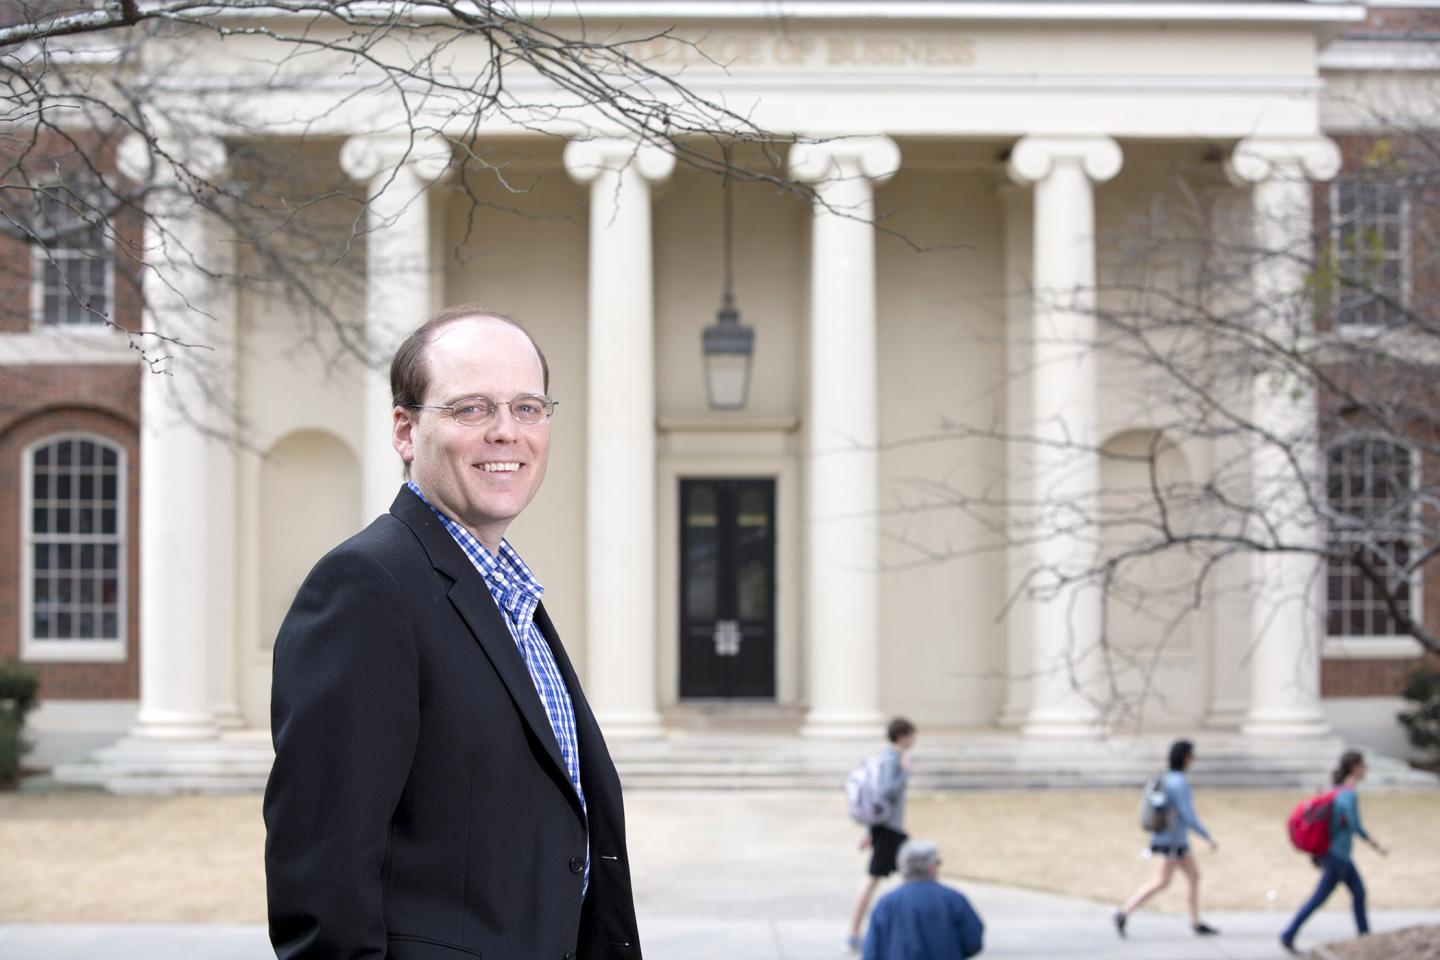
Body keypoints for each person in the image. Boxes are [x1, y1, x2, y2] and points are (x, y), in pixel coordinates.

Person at [264, 307, 642, 959]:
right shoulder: (367, 588)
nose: (506, 432)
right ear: (405, 431)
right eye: (471, 408)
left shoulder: (509, 594)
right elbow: (324, 889)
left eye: (527, 408)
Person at [1280, 750, 1388, 955]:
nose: (1366, 770)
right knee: (1320, 897)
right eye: (1363, 766)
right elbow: (1355, 825)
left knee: (1358, 893)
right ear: (1354, 767)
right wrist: (1376, 845)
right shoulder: (1348, 794)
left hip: (1340, 856)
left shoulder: (1336, 790)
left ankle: (1365, 939)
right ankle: (1288, 934)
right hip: (1337, 856)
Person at [1114, 739, 1220, 938]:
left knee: (1192, 877)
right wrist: (1208, 837)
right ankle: (1124, 912)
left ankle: (1195, 922)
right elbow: (1188, 815)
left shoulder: (1166, 777)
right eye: (1192, 755)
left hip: (1169, 839)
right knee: (1162, 881)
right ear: (1186, 758)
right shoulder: (1179, 782)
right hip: (1173, 841)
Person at [848, 716, 918, 952]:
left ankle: (904, 930)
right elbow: (887, 791)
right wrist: (905, 772)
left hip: (887, 829)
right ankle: (854, 934)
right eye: (912, 735)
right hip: (890, 831)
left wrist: (870, 831)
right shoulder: (891, 758)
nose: (914, 740)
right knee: (875, 880)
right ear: (903, 736)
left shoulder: (885, 757)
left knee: (910, 876)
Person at [862, 838, 984, 960]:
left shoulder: (886, 904)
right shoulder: (954, 899)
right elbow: (973, 943)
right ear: (931, 867)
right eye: (937, 862)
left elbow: (871, 953)